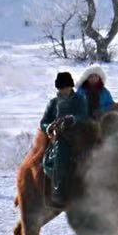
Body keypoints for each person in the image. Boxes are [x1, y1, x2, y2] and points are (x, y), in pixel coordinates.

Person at [40, 71, 90, 207]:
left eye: (66, 87)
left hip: (78, 134)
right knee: (60, 150)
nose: (64, 90)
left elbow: (83, 115)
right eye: (61, 88)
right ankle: (58, 190)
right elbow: (43, 122)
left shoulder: (79, 99)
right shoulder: (53, 103)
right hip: (60, 136)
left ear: (71, 86)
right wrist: (49, 126)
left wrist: (72, 119)